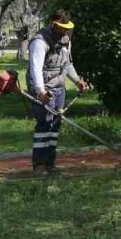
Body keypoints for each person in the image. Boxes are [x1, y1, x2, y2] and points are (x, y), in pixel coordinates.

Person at [27, 10, 89, 175]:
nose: (64, 30)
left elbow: (67, 64)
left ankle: (50, 163)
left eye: (66, 27)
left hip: (59, 87)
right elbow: (35, 69)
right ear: (53, 24)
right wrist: (40, 91)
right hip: (43, 88)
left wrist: (78, 81)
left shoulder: (65, 40)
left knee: (55, 125)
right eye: (61, 27)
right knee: (44, 125)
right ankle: (39, 165)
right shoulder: (39, 42)